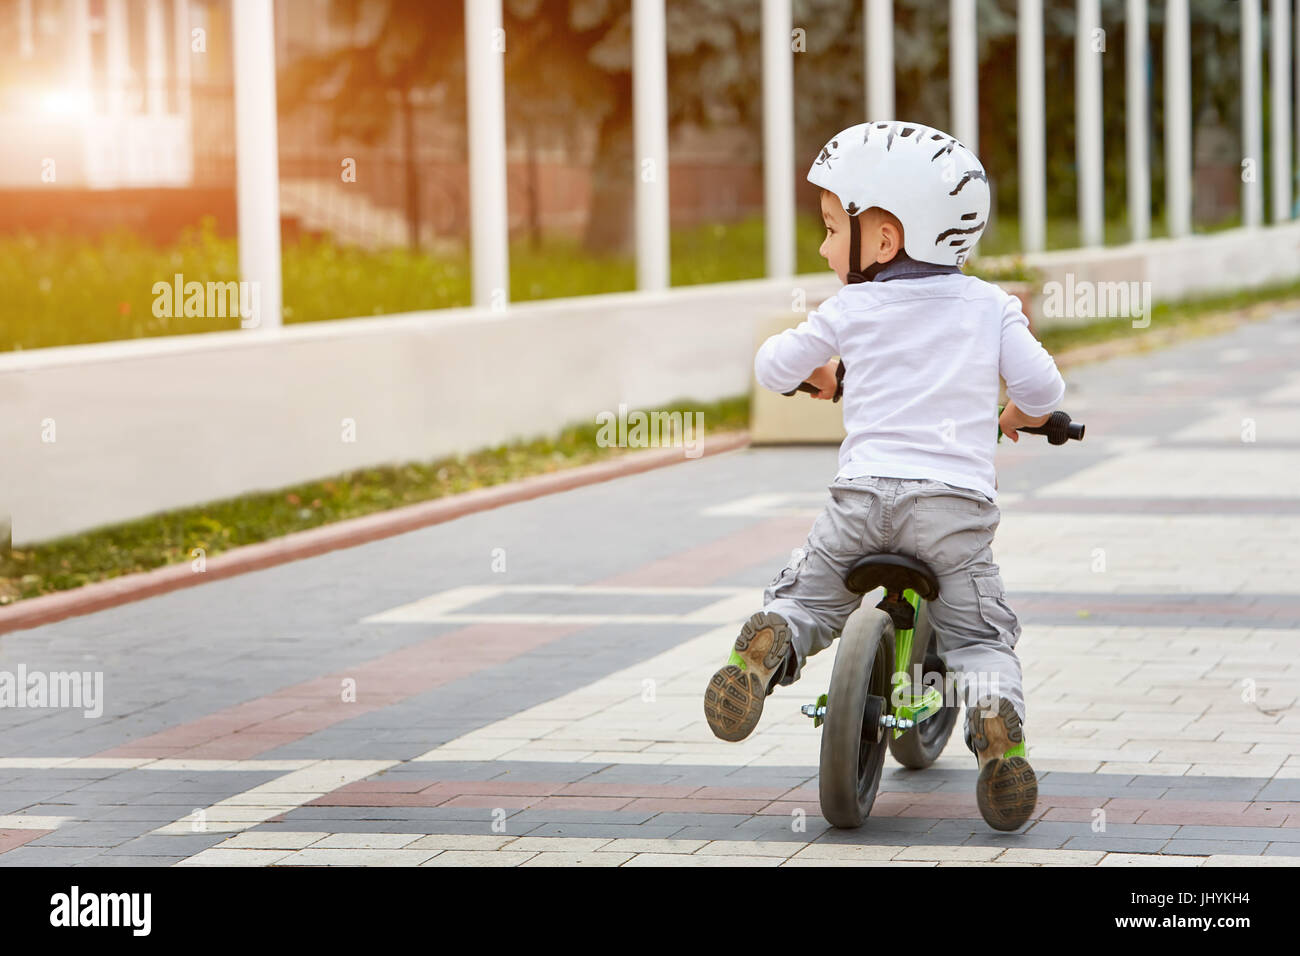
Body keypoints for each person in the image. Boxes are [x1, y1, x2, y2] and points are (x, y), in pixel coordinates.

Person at [702, 121, 1065, 831]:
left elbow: (772, 366)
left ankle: (766, 643)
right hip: (952, 515)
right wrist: (1021, 412)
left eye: (834, 227)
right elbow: (1044, 387)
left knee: (812, 597)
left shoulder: (849, 307)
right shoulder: (990, 306)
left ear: (886, 240)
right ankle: (996, 725)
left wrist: (817, 370)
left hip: (860, 502)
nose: (824, 244)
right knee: (979, 640)